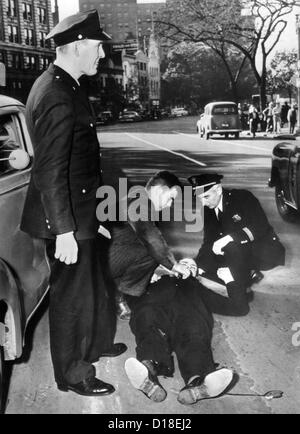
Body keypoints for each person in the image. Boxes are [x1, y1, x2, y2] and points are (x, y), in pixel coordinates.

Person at [20, 10, 127, 396]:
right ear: (78, 46)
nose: (102, 54)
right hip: (63, 218)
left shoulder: (68, 84)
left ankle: (94, 345)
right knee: (71, 298)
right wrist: (65, 230)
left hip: (80, 210)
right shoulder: (56, 94)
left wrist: (94, 214)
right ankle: (73, 373)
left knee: (95, 284)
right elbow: (49, 171)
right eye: (98, 47)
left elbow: (80, 165)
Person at [125, 275, 235, 405]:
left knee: (194, 331)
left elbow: (238, 307)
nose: (185, 265)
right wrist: (143, 279)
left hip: (187, 318)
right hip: (154, 308)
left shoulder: (195, 286)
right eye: (182, 262)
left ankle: (197, 382)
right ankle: (148, 371)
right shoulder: (148, 276)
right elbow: (126, 290)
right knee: (147, 320)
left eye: (190, 264)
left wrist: (230, 280)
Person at [186, 173, 285, 316]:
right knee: (203, 264)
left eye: (206, 196)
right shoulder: (208, 209)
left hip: (263, 250)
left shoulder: (243, 198)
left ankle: (239, 298)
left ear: (218, 189)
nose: (203, 203)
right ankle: (245, 279)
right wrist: (198, 266)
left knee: (231, 247)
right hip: (238, 253)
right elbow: (209, 241)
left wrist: (229, 238)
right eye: (199, 199)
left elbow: (260, 227)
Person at [101, 171, 192, 320]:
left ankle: (118, 292)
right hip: (99, 261)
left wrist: (156, 269)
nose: (169, 205)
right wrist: (173, 265)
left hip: (106, 253)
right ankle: (118, 294)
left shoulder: (139, 199)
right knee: (152, 250)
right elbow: (150, 237)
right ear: (159, 191)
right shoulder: (140, 203)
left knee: (154, 252)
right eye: (170, 199)